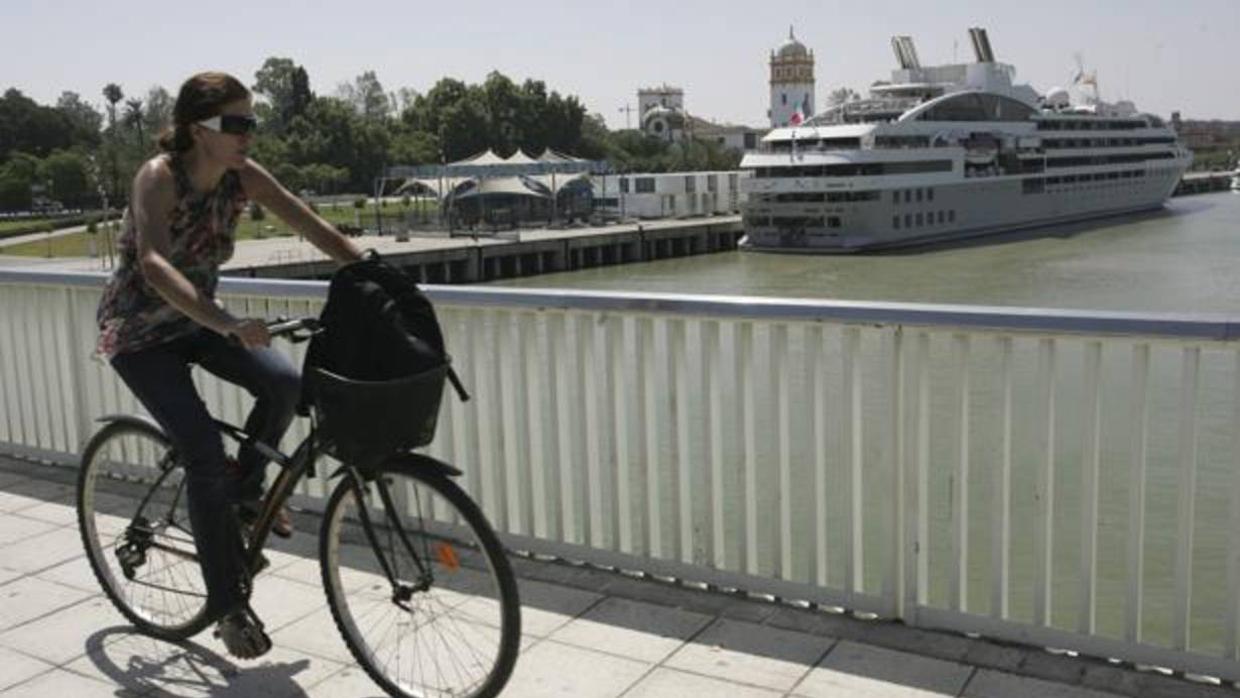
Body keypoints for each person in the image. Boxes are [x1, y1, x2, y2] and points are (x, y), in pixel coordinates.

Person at [95, 72, 362, 659]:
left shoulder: (242, 176)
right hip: (141, 333)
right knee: (202, 452)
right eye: (235, 124)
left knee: (286, 385)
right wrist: (228, 325)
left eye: (251, 123)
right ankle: (226, 606)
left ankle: (244, 497)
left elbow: (308, 222)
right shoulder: (158, 178)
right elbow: (156, 264)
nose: (248, 135)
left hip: (198, 320)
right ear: (198, 129)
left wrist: (369, 270)